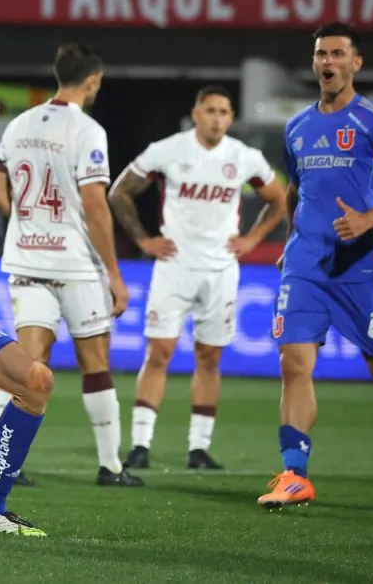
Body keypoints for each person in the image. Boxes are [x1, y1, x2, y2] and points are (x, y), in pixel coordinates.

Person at [259, 21, 373, 508]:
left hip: (360, 267)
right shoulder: (297, 127)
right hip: (306, 265)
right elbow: (298, 189)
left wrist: (369, 219)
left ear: (356, 62)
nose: (328, 62)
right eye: (321, 54)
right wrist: (290, 242)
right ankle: (295, 475)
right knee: (294, 363)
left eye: (338, 53)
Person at [107, 86, 287, 471]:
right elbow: (119, 192)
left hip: (221, 270)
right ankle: (140, 445)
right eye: (210, 111)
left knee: (209, 358)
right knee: (159, 353)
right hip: (174, 268)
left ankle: (199, 449)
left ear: (231, 117)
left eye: (224, 112)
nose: (217, 119)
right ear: (196, 113)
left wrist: (253, 238)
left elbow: (279, 199)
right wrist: (143, 240)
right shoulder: (168, 150)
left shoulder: (244, 157)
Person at [0, 43, 138, 488]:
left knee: (26, 363)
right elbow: (95, 204)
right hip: (75, 264)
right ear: (92, 81)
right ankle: (110, 466)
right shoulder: (87, 130)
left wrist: (26, 220)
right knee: (96, 363)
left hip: (27, 257)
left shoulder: (19, 124)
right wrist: (115, 273)